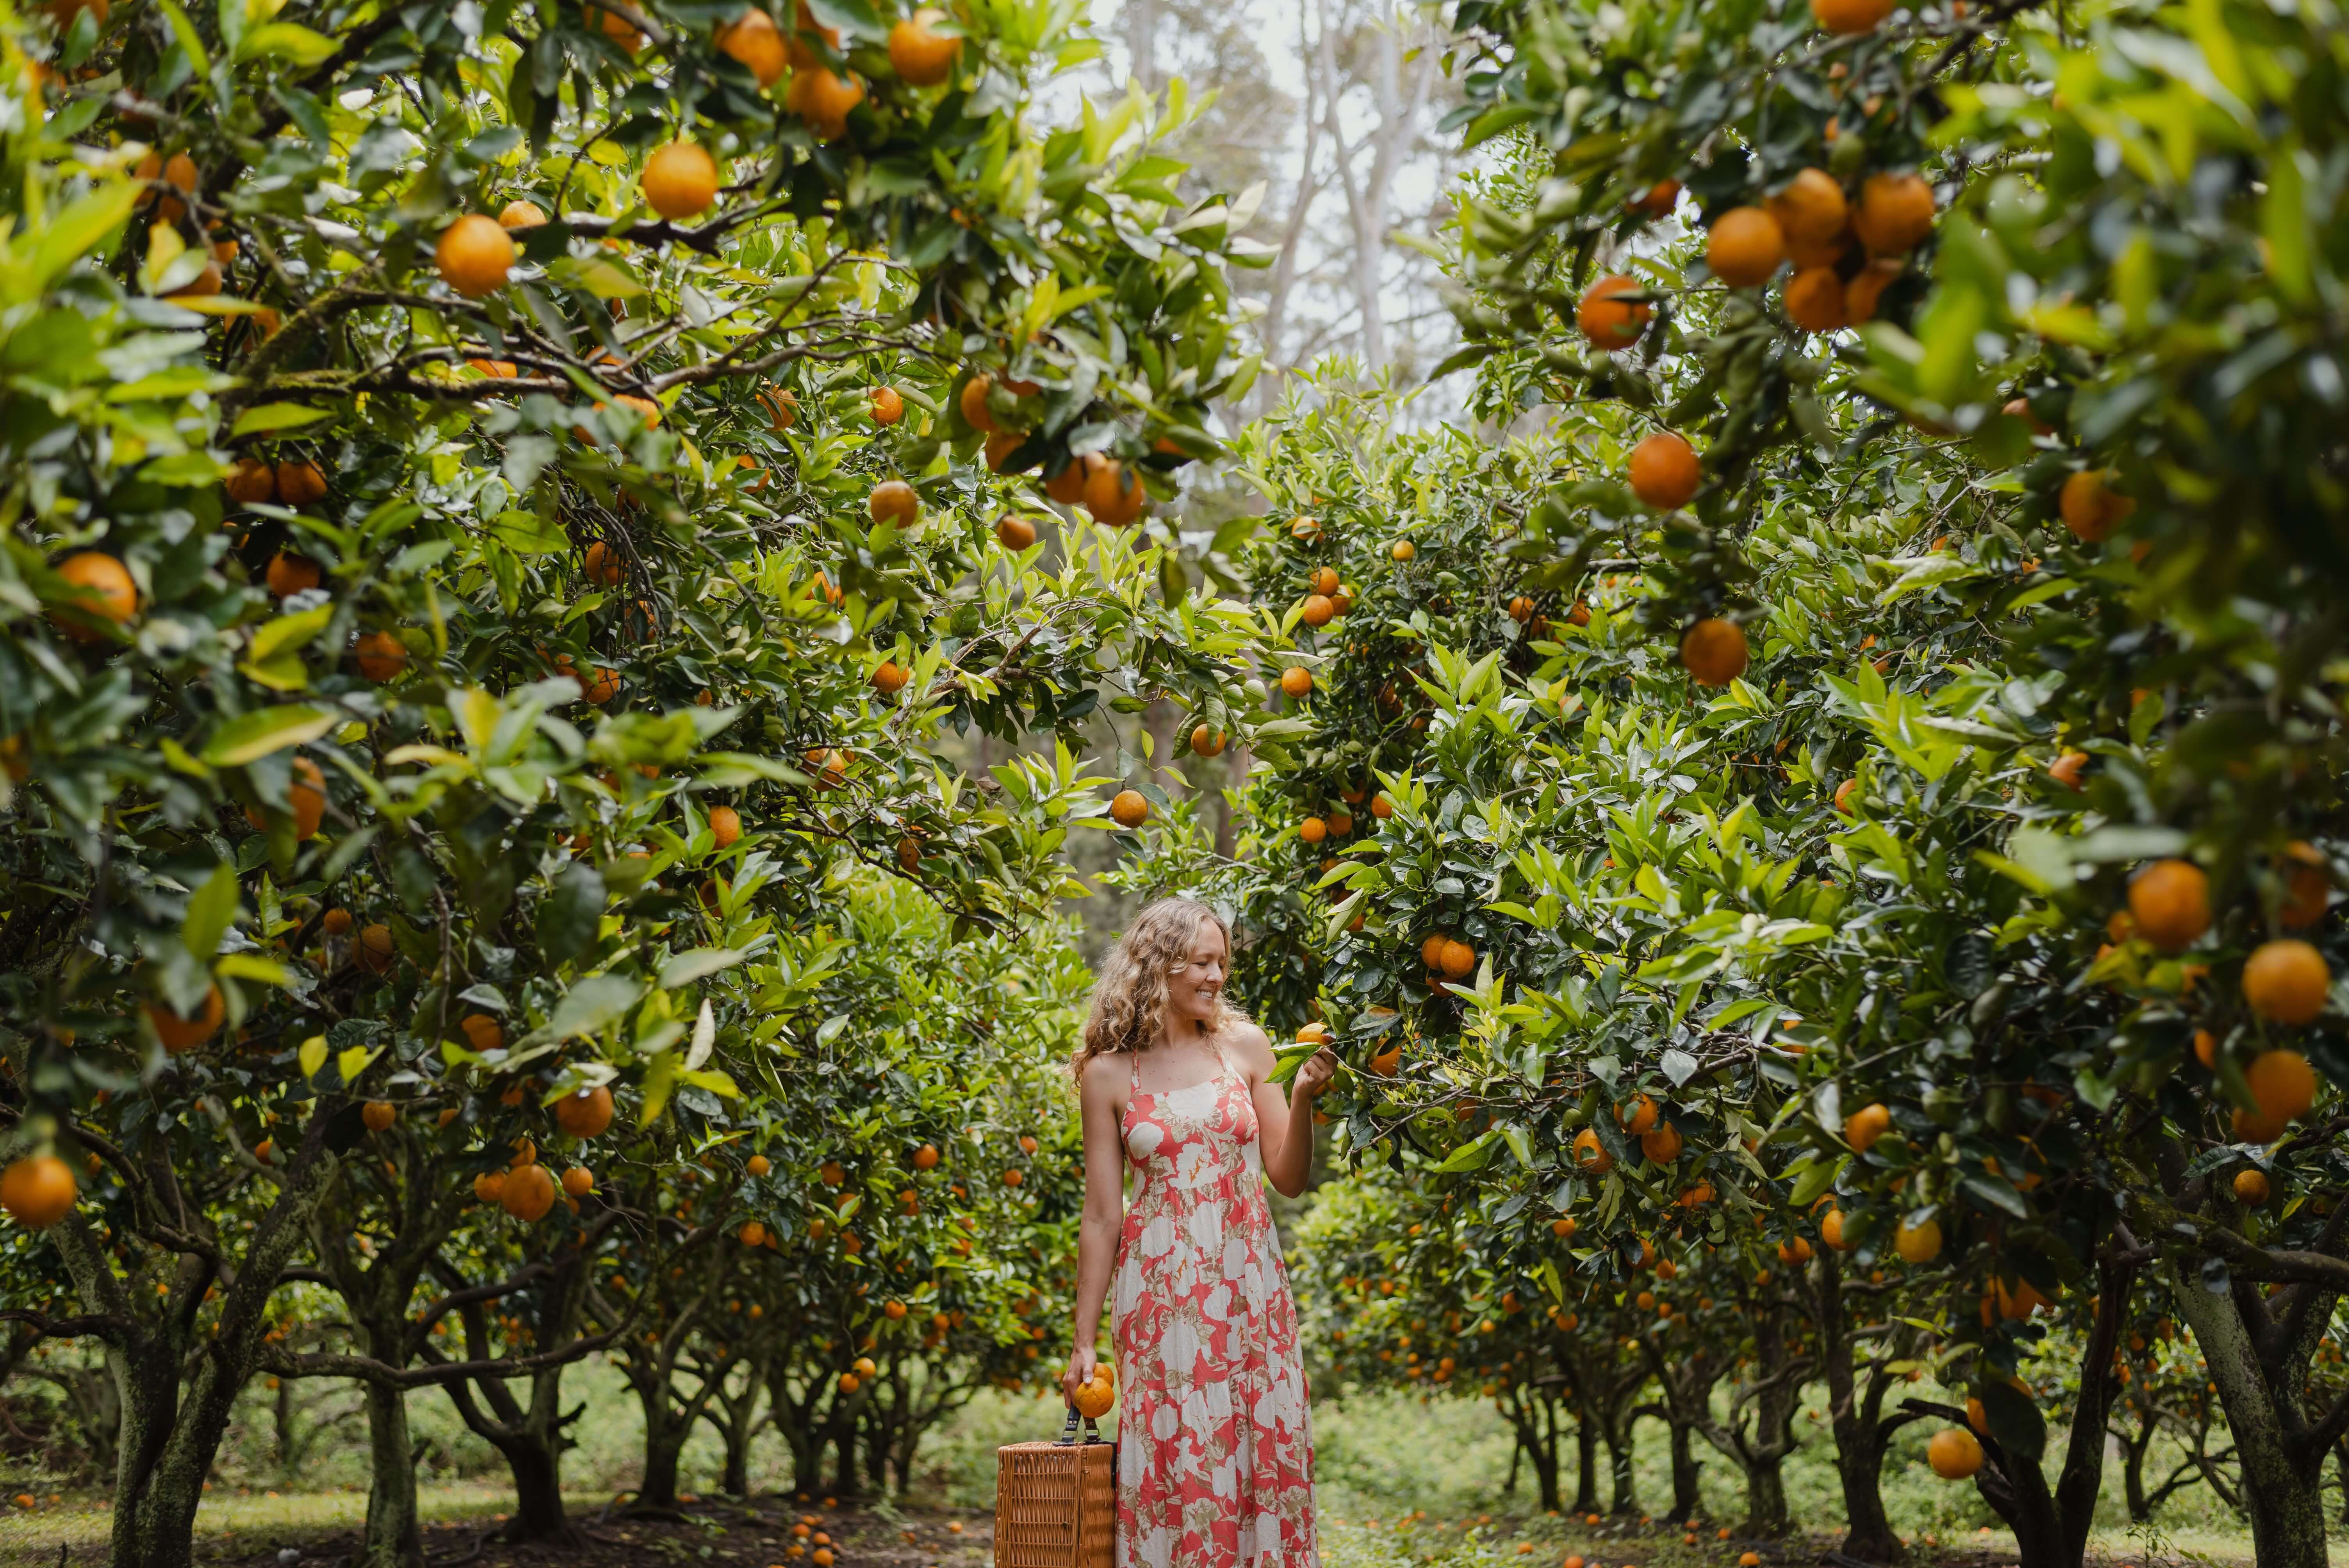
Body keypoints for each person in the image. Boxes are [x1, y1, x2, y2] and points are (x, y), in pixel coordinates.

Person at [1064, 896, 1339, 1568]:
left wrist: (1301, 1097)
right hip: (1160, 1298)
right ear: (1159, 968)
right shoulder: (1107, 1074)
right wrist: (1083, 1340)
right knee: (1176, 1448)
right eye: (1202, 962)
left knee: (1255, 1441)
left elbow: (1289, 1177)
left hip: (1248, 1285)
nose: (1217, 977)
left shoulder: (1245, 1046)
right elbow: (1103, 1215)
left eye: (1222, 962)